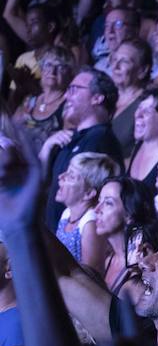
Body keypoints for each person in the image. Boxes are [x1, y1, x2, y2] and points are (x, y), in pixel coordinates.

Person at [42, 67, 123, 231]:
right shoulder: (67, 138)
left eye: (73, 89)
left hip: (76, 241)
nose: (66, 96)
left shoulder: (101, 139)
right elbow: (41, 183)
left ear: (97, 98)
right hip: (56, 234)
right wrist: (46, 147)